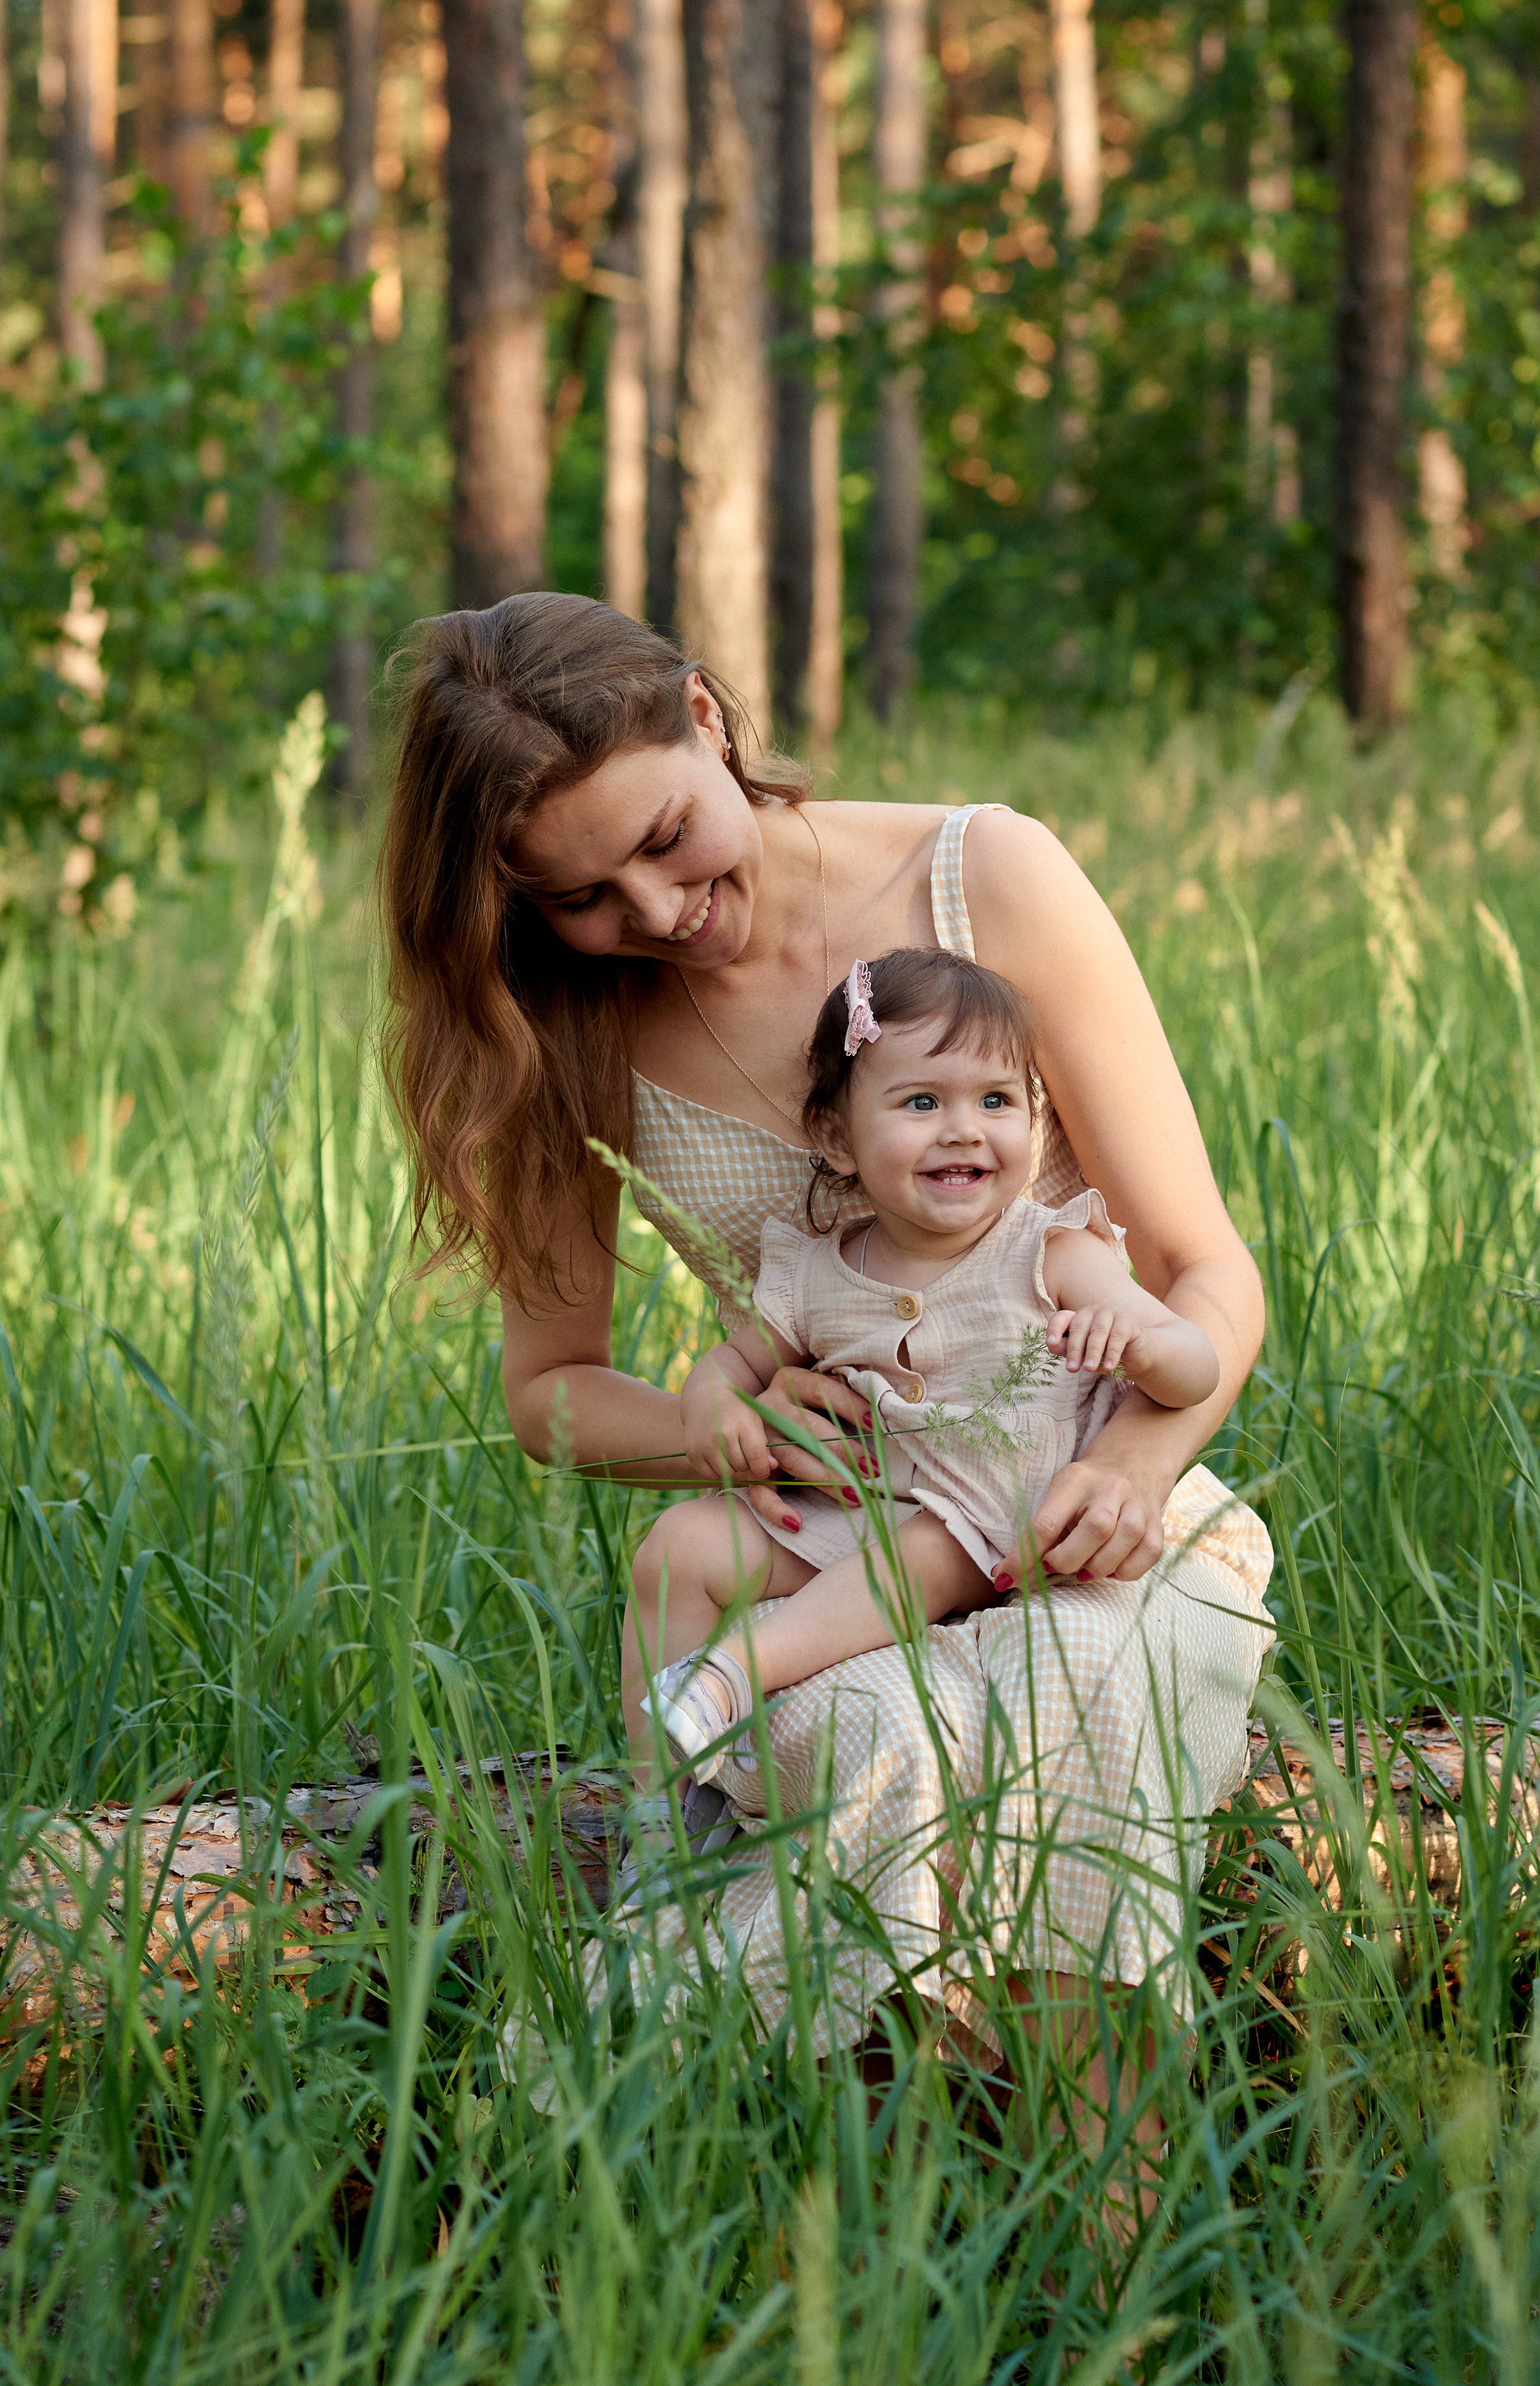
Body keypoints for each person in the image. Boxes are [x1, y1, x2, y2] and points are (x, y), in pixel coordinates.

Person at [380, 591, 1273, 2114]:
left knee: (1069, 1693)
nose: (655, 914)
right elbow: (549, 1396)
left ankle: (1105, 2220)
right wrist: (726, 1424)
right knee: (835, 1698)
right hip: (825, 1543)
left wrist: (1128, 1468)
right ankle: (816, 2181)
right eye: (584, 895)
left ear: (708, 720)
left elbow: (1202, 1269)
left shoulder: (979, 874)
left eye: (665, 838)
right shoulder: (564, 1023)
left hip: (1059, 1508)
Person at [632, 946, 1232, 1783]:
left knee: (925, 1545)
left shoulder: (1052, 1250)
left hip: (1015, 1525)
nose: (963, 1127)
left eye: (996, 1100)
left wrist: (1140, 1343)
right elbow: (735, 1364)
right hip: (876, 1512)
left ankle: (737, 1675)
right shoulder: (815, 1272)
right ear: (837, 1137)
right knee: (678, 1549)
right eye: (922, 1101)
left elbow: (1196, 1366)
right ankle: (660, 1812)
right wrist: (711, 1401)